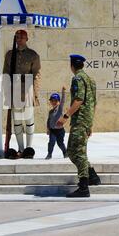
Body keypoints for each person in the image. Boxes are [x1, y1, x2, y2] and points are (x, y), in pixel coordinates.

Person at [58, 54, 101, 198]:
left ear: (72, 66)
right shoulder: (91, 80)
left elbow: (78, 100)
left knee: (74, 151)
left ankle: (84, 186)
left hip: (80, 120)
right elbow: (94, 103)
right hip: (86, 120)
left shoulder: (77, 79)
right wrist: (90, 123)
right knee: (79, 150)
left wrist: (65, 117)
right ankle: (93, 177)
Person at [2, 29, 41, 158]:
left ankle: (29, 148)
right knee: (17, 121)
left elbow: (36, 75)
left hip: (28, 89)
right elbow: (6, 73)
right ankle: (21, 148)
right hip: (14, 89)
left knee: (29, 119)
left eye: (22, 37)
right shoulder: (9, 55)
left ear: (27, 39)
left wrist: (35, 93)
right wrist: (6, 92)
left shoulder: (33, 55)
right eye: (17, 37)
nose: (19, 40)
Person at [46, 87, 68, 159]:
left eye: (55, 101)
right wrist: (48, 129)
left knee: (60, 143)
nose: (54, 102)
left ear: (58, 102)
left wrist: (63, 92)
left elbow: (63, 101)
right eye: (52, 101)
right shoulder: (50, 112)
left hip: (60, 131)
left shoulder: (59, 109)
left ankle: (65, 152)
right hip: (53, 130)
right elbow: (48, 120)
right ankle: (49, 154)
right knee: (51, 142)